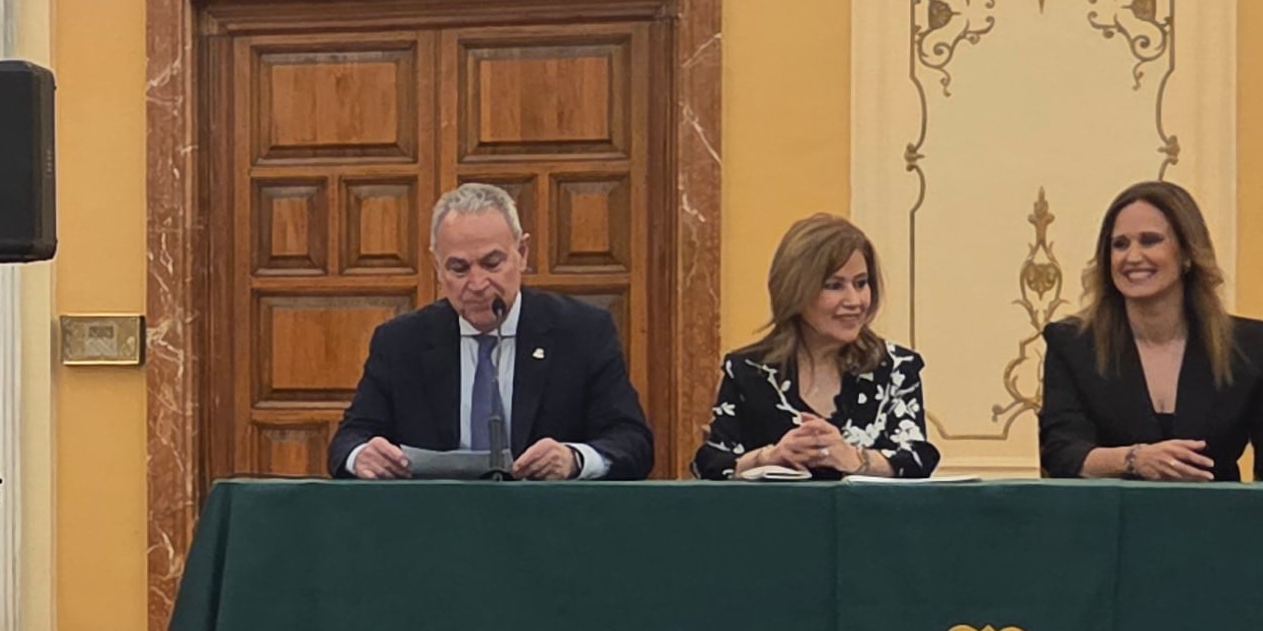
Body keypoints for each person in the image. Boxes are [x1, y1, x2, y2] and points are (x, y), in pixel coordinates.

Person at [333, 181, 654, 480]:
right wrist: (362, 455)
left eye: (492, 263)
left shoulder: (582, 332)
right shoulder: (401, 342)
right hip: (434, 525)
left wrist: (574, 459)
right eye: (459, 268)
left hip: (549, 524)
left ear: (522, 254)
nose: (477, 284)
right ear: (438, 268)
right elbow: (349, 439)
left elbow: (632, 441)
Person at [1038, 178, 1263, 481]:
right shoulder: (1071, 344)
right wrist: (1134, 458)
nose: (1132, 257)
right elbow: (1062, 452)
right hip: (1109, 523)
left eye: (1150, 240)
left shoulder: (1251, 345)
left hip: (1215, 523)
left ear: (1187, 254)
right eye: (1120, 244)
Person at [694, 212, 939, 479]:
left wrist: (855, 458)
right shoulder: (748, 371)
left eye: (861, 283)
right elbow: (710, 463)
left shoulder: (896, 367)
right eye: (834, 286)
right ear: (795, 290)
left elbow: (917, 458)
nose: (855, 300)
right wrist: (770, 457)